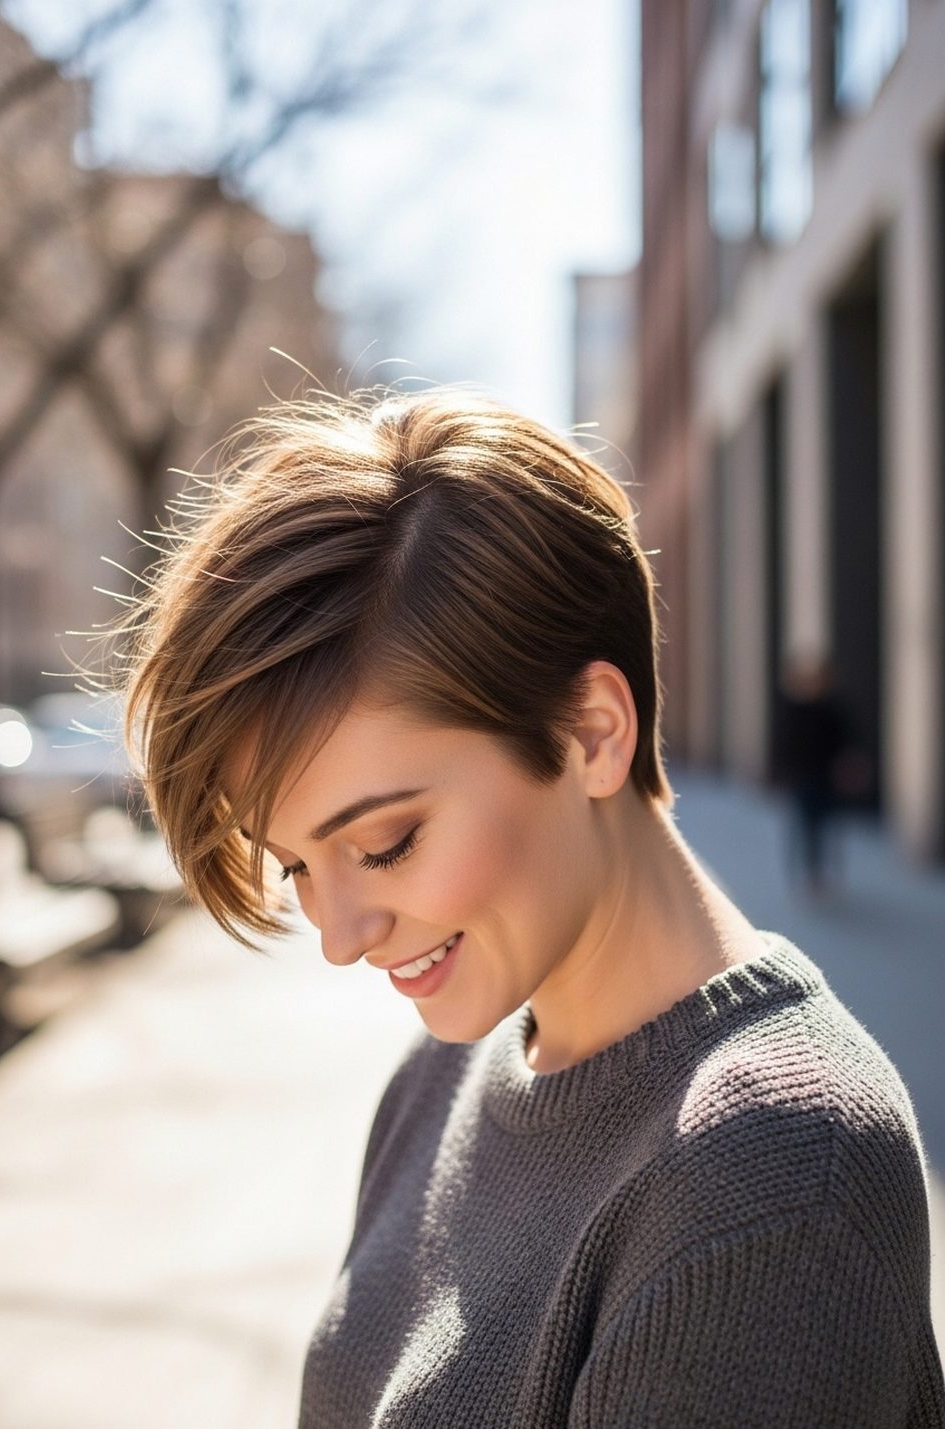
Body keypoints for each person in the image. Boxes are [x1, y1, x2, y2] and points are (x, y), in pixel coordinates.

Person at [118, 387, 944, 1427]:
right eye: (295, 867)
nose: (339, 937)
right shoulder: (441, 1076)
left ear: (592, 732)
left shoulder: (773, 1173)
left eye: (384, 844)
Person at [772, 652, 867, 900]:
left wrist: (848, 768)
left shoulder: (831, 708)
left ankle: (826, 874)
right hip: (803, 779)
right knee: (806, 828)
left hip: (827, 779)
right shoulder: (794, 709)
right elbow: (784, 744)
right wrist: (782, 775)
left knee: (828, 829)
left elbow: (846, 742)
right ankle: (810, 875)